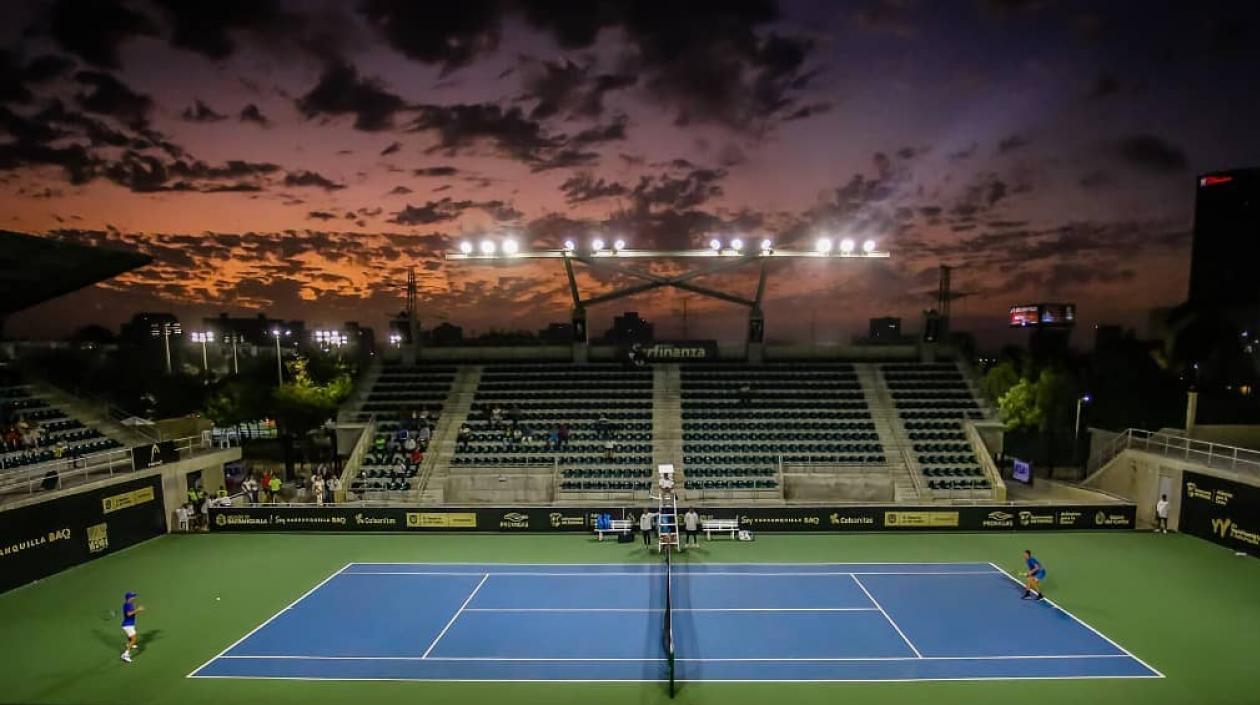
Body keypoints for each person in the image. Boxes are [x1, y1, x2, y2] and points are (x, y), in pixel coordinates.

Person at [120, 592, 144, 662]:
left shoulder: (129, 604)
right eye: (133, 597)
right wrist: (138, 610)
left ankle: (129, 644)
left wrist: (137, 611)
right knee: (134, 639)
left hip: (129, 624)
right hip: (128, 625)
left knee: (131, 636)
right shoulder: (128, 605)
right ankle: (125, 655)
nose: (134, 598)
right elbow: (129, 614)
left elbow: (132, 613)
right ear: (129, 598)